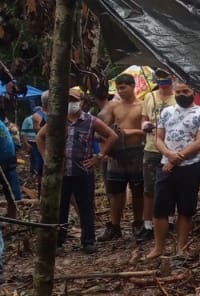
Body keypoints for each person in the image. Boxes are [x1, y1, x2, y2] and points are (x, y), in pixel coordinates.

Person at [37, 86, 119, 253]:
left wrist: (99, 156)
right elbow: (40, 137)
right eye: (68, 100)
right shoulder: (57, 120)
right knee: (61, 208)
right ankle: (58, 242)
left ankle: (88, 241)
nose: (71, 103)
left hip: (83, 171)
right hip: (62, 173)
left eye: (74, 100)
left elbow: (112, 136)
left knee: (86, 207)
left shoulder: (90, 120)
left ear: (81, 102)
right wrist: (46, 159)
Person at [148, 80, 200, 260]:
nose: (182, 95)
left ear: (193, 92)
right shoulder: (167, 112)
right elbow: (158, 138)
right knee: (160, 208)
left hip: (190, 166)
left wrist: (177, 159)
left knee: (186, 208)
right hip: (165, 164)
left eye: (185, 91)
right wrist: (169, 154)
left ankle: (181, 248)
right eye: (178, 92)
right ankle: (159, 248)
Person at [99, 73, 146, 239]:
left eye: (123, 88)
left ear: (133, 86)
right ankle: (114, 226)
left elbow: (147, 131)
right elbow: (102, 126)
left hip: (136, 151)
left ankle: (138, 223)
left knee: (138, 190)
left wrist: (128, 132)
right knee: (115, 191)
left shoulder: (142, 105)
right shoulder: (113, 106)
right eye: (118, 88)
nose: (120, 91)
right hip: (117, 152)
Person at [138, 69, 176, 244]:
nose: (163, 82)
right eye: (159, 79)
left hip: (171, 148)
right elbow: (144, 117)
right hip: (151, 147)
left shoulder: (177, 98)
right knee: (149, 188)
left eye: (166, 78)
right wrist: (145, 124)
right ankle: (147, 224)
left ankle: (170, 219)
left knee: (170, 186)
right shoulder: (149, 97)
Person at [22, 93, 47, 182]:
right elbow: (23, 133)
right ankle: (34, 173)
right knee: (35, 158)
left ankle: (38, 174)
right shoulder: (27, 120)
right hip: (32, 142)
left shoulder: (44, 118)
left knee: (40, 158)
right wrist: (26, 144)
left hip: (40, 141)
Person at [0, 116, 22, 203]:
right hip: (9, 156)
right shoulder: (1, 125)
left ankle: (16, 203)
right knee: (11, 183)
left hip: (5, 157)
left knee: (10, 184)